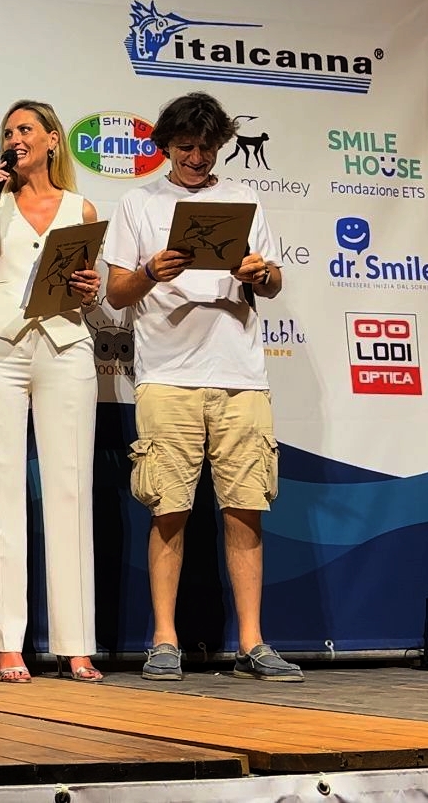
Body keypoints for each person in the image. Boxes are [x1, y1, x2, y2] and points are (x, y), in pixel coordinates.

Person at [104, 90, 301, 683]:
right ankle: (164, 640)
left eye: (207, 148)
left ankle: (252, 643)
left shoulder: (244, 198)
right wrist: (150, 271)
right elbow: (116, 292)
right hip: (167, 377)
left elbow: (272, 281)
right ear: (166, 145)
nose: (197, 158)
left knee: (246, 510)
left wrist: (260, 273)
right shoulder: (138, 202)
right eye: (186, 147)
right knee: (169, 509)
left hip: (241, 376)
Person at [0, 100, 102, 684]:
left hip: (65, 345)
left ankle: (76, 644)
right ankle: (5, 643)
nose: (15, 137)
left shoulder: (79, 207)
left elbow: (89, 290)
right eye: (8, 131)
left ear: (51, 140)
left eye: (26, 129)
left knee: (70, 490)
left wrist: (89, 287)